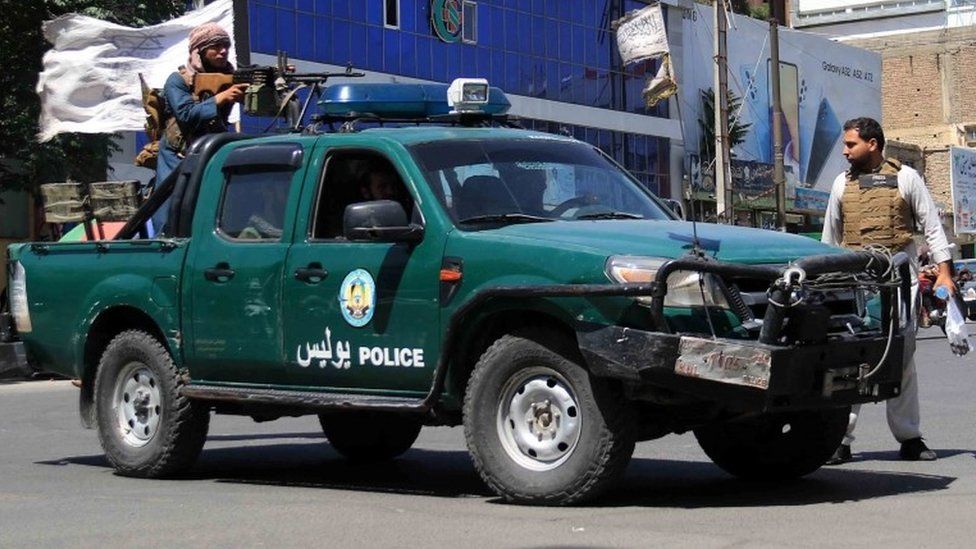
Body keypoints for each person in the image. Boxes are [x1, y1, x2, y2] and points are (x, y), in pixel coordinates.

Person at [822, 117, 953, 464]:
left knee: (902, 359)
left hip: (899, 284)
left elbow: (933, 229)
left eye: (851, 144)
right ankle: (840, 439)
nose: (845, 151)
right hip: (856, 286)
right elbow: (830, 240)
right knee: (850, 359)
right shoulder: (840, 185)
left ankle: (909, 437)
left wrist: (944, 274)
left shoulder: (907, 178)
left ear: (873, 144)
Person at [152, 22, 247, 235]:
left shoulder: (230, 77)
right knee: (172, 218)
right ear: (199, 51)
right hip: (177, 158)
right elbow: (186, 115)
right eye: (216, 46)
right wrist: (221, 98)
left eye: (226, 46)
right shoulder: (177, 81)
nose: (223, 51)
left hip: (210, 155)